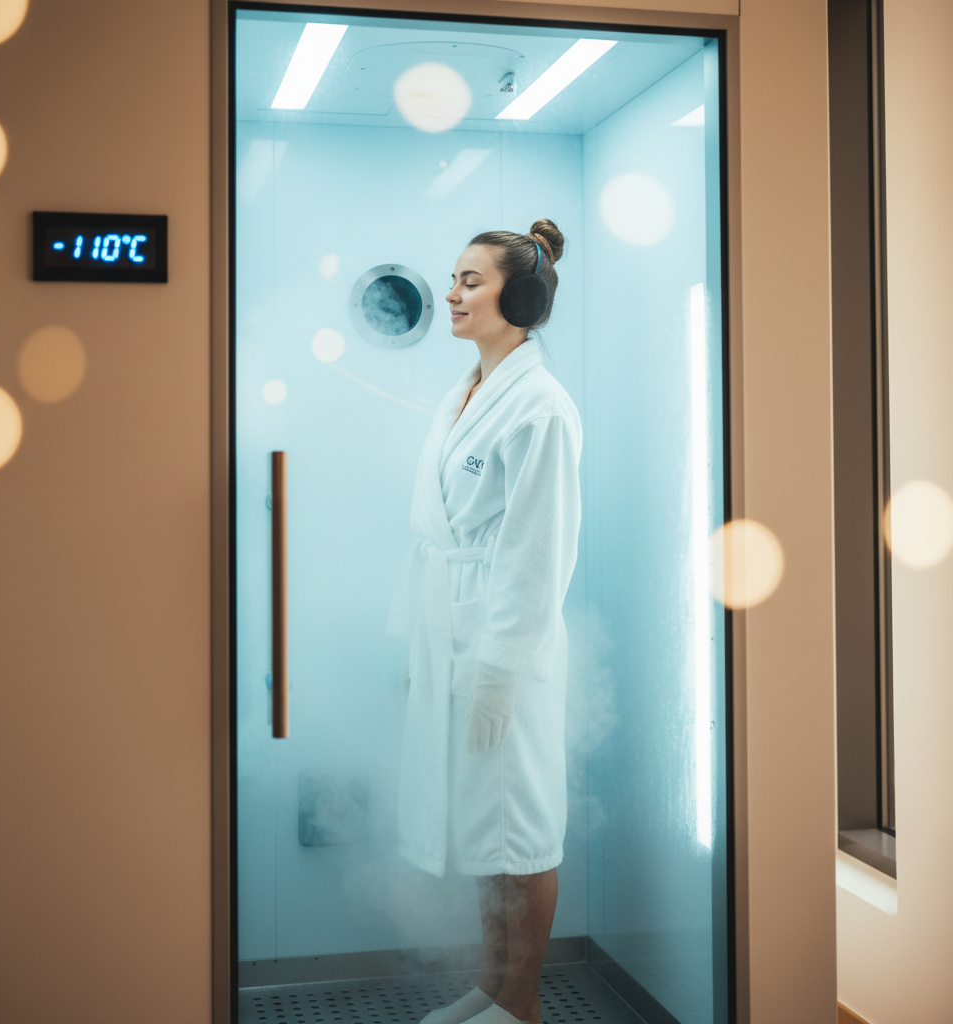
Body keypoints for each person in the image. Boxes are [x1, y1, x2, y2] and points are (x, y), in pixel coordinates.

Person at [391, 220, 582, 1024]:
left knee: (519, 831)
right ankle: (493, 987)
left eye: (471, 280)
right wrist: (416, 640)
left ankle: (524, 1005)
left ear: (523, 297)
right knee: (482, 826)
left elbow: (539, 559)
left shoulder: (542, 407)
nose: (452, 294)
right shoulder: (467, 387)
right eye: (455, 279)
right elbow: (433, 529)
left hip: (507, 649)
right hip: (452, 632)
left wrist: (498, 674)